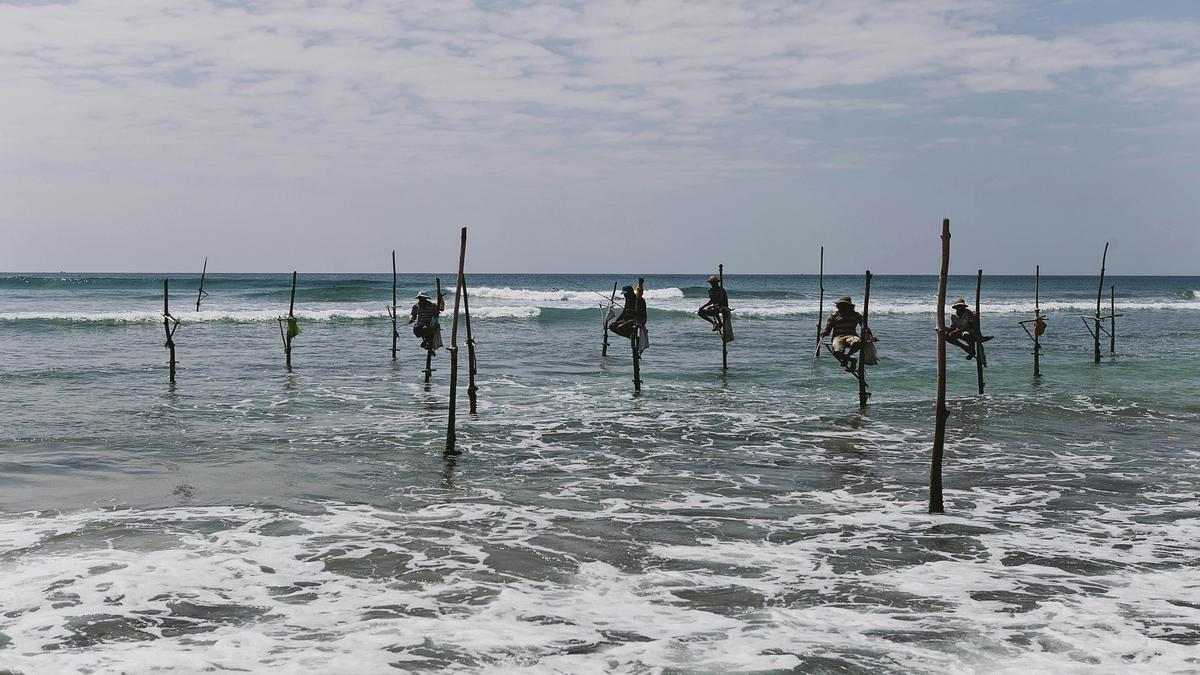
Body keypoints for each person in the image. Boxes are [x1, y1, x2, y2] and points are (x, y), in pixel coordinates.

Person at [821, 295, 864, 371]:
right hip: (838, 337)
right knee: (837, 352)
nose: (840, 307)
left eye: (843, 306)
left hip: (851, 335)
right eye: (839, 305)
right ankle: (852, 360)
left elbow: (864, 326)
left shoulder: (856, 315)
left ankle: (847, 357)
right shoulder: (834, 316)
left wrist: (869, 335)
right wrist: (823, 332)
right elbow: (828, 331)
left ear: (848, 306)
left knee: (857, 342)